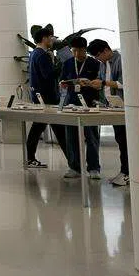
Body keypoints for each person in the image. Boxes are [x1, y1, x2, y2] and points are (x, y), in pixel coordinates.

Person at [60, 36, 103, 180]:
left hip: (90, 104)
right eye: (74, 51)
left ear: (85, 49)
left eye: (80, 51)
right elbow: (62, 81)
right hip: (71, 103)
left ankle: (94, 168)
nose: (77, 54)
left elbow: (100, 83)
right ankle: (74, 167)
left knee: (91, 137)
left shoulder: (95, 64)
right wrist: (66, 83)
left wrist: (90, 83)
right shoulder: (67, 63)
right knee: (71, 136)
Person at [26, 25, 67, 169]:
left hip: (40, 97)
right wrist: (61, 65)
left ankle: (30, 158)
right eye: (50, 37)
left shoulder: (34, 53)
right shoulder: (42, 55)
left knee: (39, 128)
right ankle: (75, 162)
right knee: (58, 130)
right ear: (44, 38)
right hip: (48, 98)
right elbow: (48, 75)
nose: (52, 40)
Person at [88, 39, 128, 187]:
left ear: (106, 50)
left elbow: (123, 83)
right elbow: (102, 81)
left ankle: (128, 172)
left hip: (123, 108)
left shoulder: (121, 60)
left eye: (98, 55)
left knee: (125, 142)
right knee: (120, 140)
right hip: (112, 106)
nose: (98, 59)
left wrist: (103, 83)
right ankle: (124, 171)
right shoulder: (103, 64)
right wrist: (93, 83)